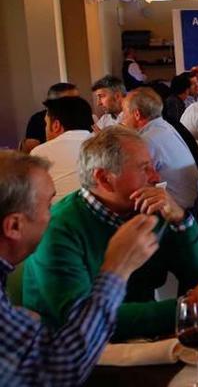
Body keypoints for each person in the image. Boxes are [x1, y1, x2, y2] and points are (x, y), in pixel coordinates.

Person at [24, 127, 198, 341]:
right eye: (144, 168)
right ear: (104, 178)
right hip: (76, 357)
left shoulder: (148, 209)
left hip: (145, 342)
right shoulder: (57, 229)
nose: (156, 176)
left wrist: (181, 220)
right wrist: (184, 308)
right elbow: (83, 321)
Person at [0, 151, 159, 386]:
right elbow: (62, 367)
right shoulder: (64, 227)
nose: (51, 214)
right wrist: (116, 270)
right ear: (14, 225)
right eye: (47, 205)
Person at [120, 88, 198, 208]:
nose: (122, 119)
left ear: (136, 114)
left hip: (179, 210)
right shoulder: (166, 127)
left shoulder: (145, 140)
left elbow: (128, 184)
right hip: (195, 202)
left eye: (124, 113)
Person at [30, 96, 94, 202]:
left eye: (46, 124)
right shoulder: (107, 145)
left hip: (55, 216)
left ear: (56, 125)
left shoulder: (40, 152)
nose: (45, 129)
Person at [21, 82, 79, 153]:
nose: (77, 104)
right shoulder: (37, 120)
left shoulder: (83, 117)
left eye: (78, 100)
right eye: (69, 102)